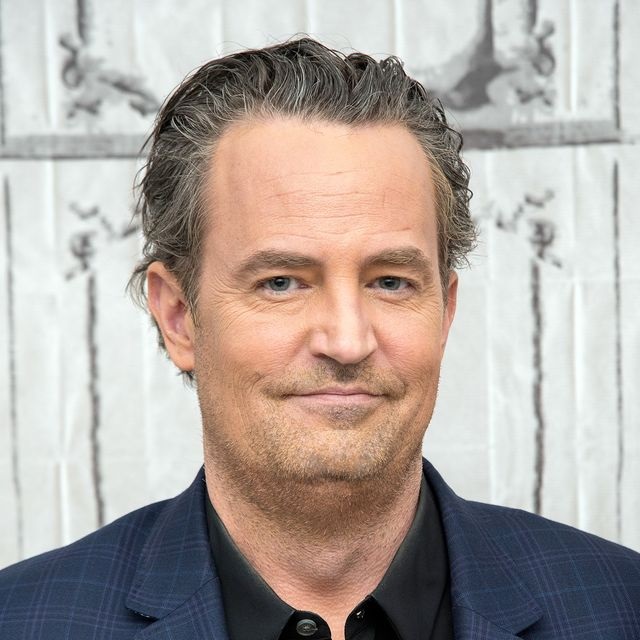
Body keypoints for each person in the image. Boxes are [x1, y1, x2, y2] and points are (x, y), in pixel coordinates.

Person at [0, 37, 638, 640]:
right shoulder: (25, 621)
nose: (347, 340)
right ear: (178, 317)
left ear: (444, 312)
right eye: (281, 283)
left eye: (390, 281)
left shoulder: (619, 607)